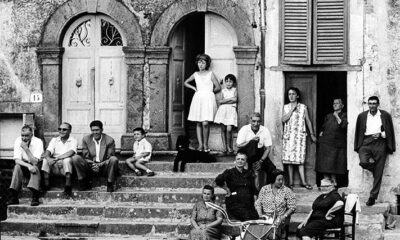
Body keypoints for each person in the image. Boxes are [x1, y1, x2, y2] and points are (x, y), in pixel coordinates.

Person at [354, 96, 395, 206]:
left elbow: (389, 131)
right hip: (366, 142)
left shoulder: (385, 115)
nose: (372, 105)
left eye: (374, 103)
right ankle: (376, 170)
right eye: (370, 103)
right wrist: (358, 145)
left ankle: (373, 196)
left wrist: (381, 134)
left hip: (380, 142)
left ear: (378, 104)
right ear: (368, 104)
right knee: (363, 162)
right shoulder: (362, 116)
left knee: (379, 172)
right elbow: (358, 132)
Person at [184, 54, 221, 152]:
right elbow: (186, 82)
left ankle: (205, 144)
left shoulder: (210, 74)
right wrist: (194, 88)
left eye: (203, 62)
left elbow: (218, 87)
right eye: (199, 62)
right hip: (198, 98)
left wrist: (210, 92)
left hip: (208, 98)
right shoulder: (195, 74)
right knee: (199, 122)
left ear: (207, 64)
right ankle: (200, 145)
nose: (201, 64)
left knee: (205, 122)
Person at [282, 87, 316, 190]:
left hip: (299, 137)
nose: (291, 96)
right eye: (289, 94)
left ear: (297, 96)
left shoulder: (303, 107)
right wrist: (292, 109)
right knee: (289, 161)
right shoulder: (286, 107)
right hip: (289, 136)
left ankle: (304, 182)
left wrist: (312, 134)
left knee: (300, 160)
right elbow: (283, 119)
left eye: (293, 94)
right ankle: (291, 183)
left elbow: (308, 121)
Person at [71, 120, 120, 192]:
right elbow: (85, 156)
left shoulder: (109, 140)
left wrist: (99, 165)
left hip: (104, 166)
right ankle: (82, 181)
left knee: (114, 159)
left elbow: (110, 157)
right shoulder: (86, 139)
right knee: (75, 158)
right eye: (93, 130)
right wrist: (93, 164)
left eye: (97, 130)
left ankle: (110, 183)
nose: (95, 132)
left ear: (102, 130)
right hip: (90, 166)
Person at [236, 112, 276, 190]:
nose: (256, 123)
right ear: (250, 121)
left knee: (272, 168)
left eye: (258, 121)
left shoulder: (264, 130)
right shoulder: (244, 129)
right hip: (245, 152)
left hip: (258, 154)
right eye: (254, 121)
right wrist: (250, 140)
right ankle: (251, 167)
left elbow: (268, 148)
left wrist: (261, 161)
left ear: (260, 122)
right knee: (253, 142)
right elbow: (238, 145)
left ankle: (267, 191)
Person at [6, 125, 44, 206]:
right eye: (22, 135)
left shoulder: (38, 142)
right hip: (25, 165)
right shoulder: (18, 140)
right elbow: (17, 160)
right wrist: (28, 166)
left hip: (36, 166)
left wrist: (26, 149)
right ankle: (14, 196)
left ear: (31, 135)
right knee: (17, 167)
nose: (24, 138)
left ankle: (35, 196)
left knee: (35, 168)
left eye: (27, 135)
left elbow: (35, 162)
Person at [215, 152, 259, 221]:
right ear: (235, 161)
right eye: (238, 159)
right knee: (248, 218)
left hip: (248, 204)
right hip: (235, 203)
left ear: (245, 162)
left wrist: (256, 203)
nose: (240, 161)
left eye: (242, 159)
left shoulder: (249, 173)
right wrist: (227, 189)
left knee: (256, 218)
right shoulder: (229, 172)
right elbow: (218, 180)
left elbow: (253, 189)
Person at [255, 169, 296, 239]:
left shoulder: (287, 191)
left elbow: (292, 207)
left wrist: (284, 216)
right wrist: (260, 215)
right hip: (266, 218)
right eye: (279, 180)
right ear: (273, 179)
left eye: (282, 180)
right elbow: (258, 204)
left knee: (272, 233)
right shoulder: (264, 189)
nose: (281, 182)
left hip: (280, 219)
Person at [316, 98, 348, 187]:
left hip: (336, 143)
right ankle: (326, 179)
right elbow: (323, 127)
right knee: (324, 162)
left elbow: (343, 125)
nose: (335, 105)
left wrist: (336, 116)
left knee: (334, 162)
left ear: (342, 105)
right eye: (334, 103)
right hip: (325, 142)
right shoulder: (328, 116)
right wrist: (321, 136)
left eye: (337, 103)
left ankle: (334, 181)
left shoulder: (344, 115)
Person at [41, 122, 79, 197]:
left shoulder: (73, 140)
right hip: (55, 165)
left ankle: (68, 185)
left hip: (66, 164)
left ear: (69, 131)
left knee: (67, 160)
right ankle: (46, 184)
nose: (61, 131)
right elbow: (48, 150)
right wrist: (48, 158)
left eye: (64, 129)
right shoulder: (54, 140)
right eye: (59, 129)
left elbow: (71, 152)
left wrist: (57, 159)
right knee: (45, 160)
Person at [214, 74, 238, 154]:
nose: (228, 83)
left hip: (231, 110)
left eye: (230, 81)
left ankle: (229, 146)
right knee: (223, 129)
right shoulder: (223, 91)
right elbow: (220, 101)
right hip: (223, 110)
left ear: (233, 82)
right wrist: (231, 99)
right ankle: (224, 147)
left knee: (229, 129)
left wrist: (225, 100)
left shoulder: (235, 90)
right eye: (226, 81)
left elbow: (235, 100)